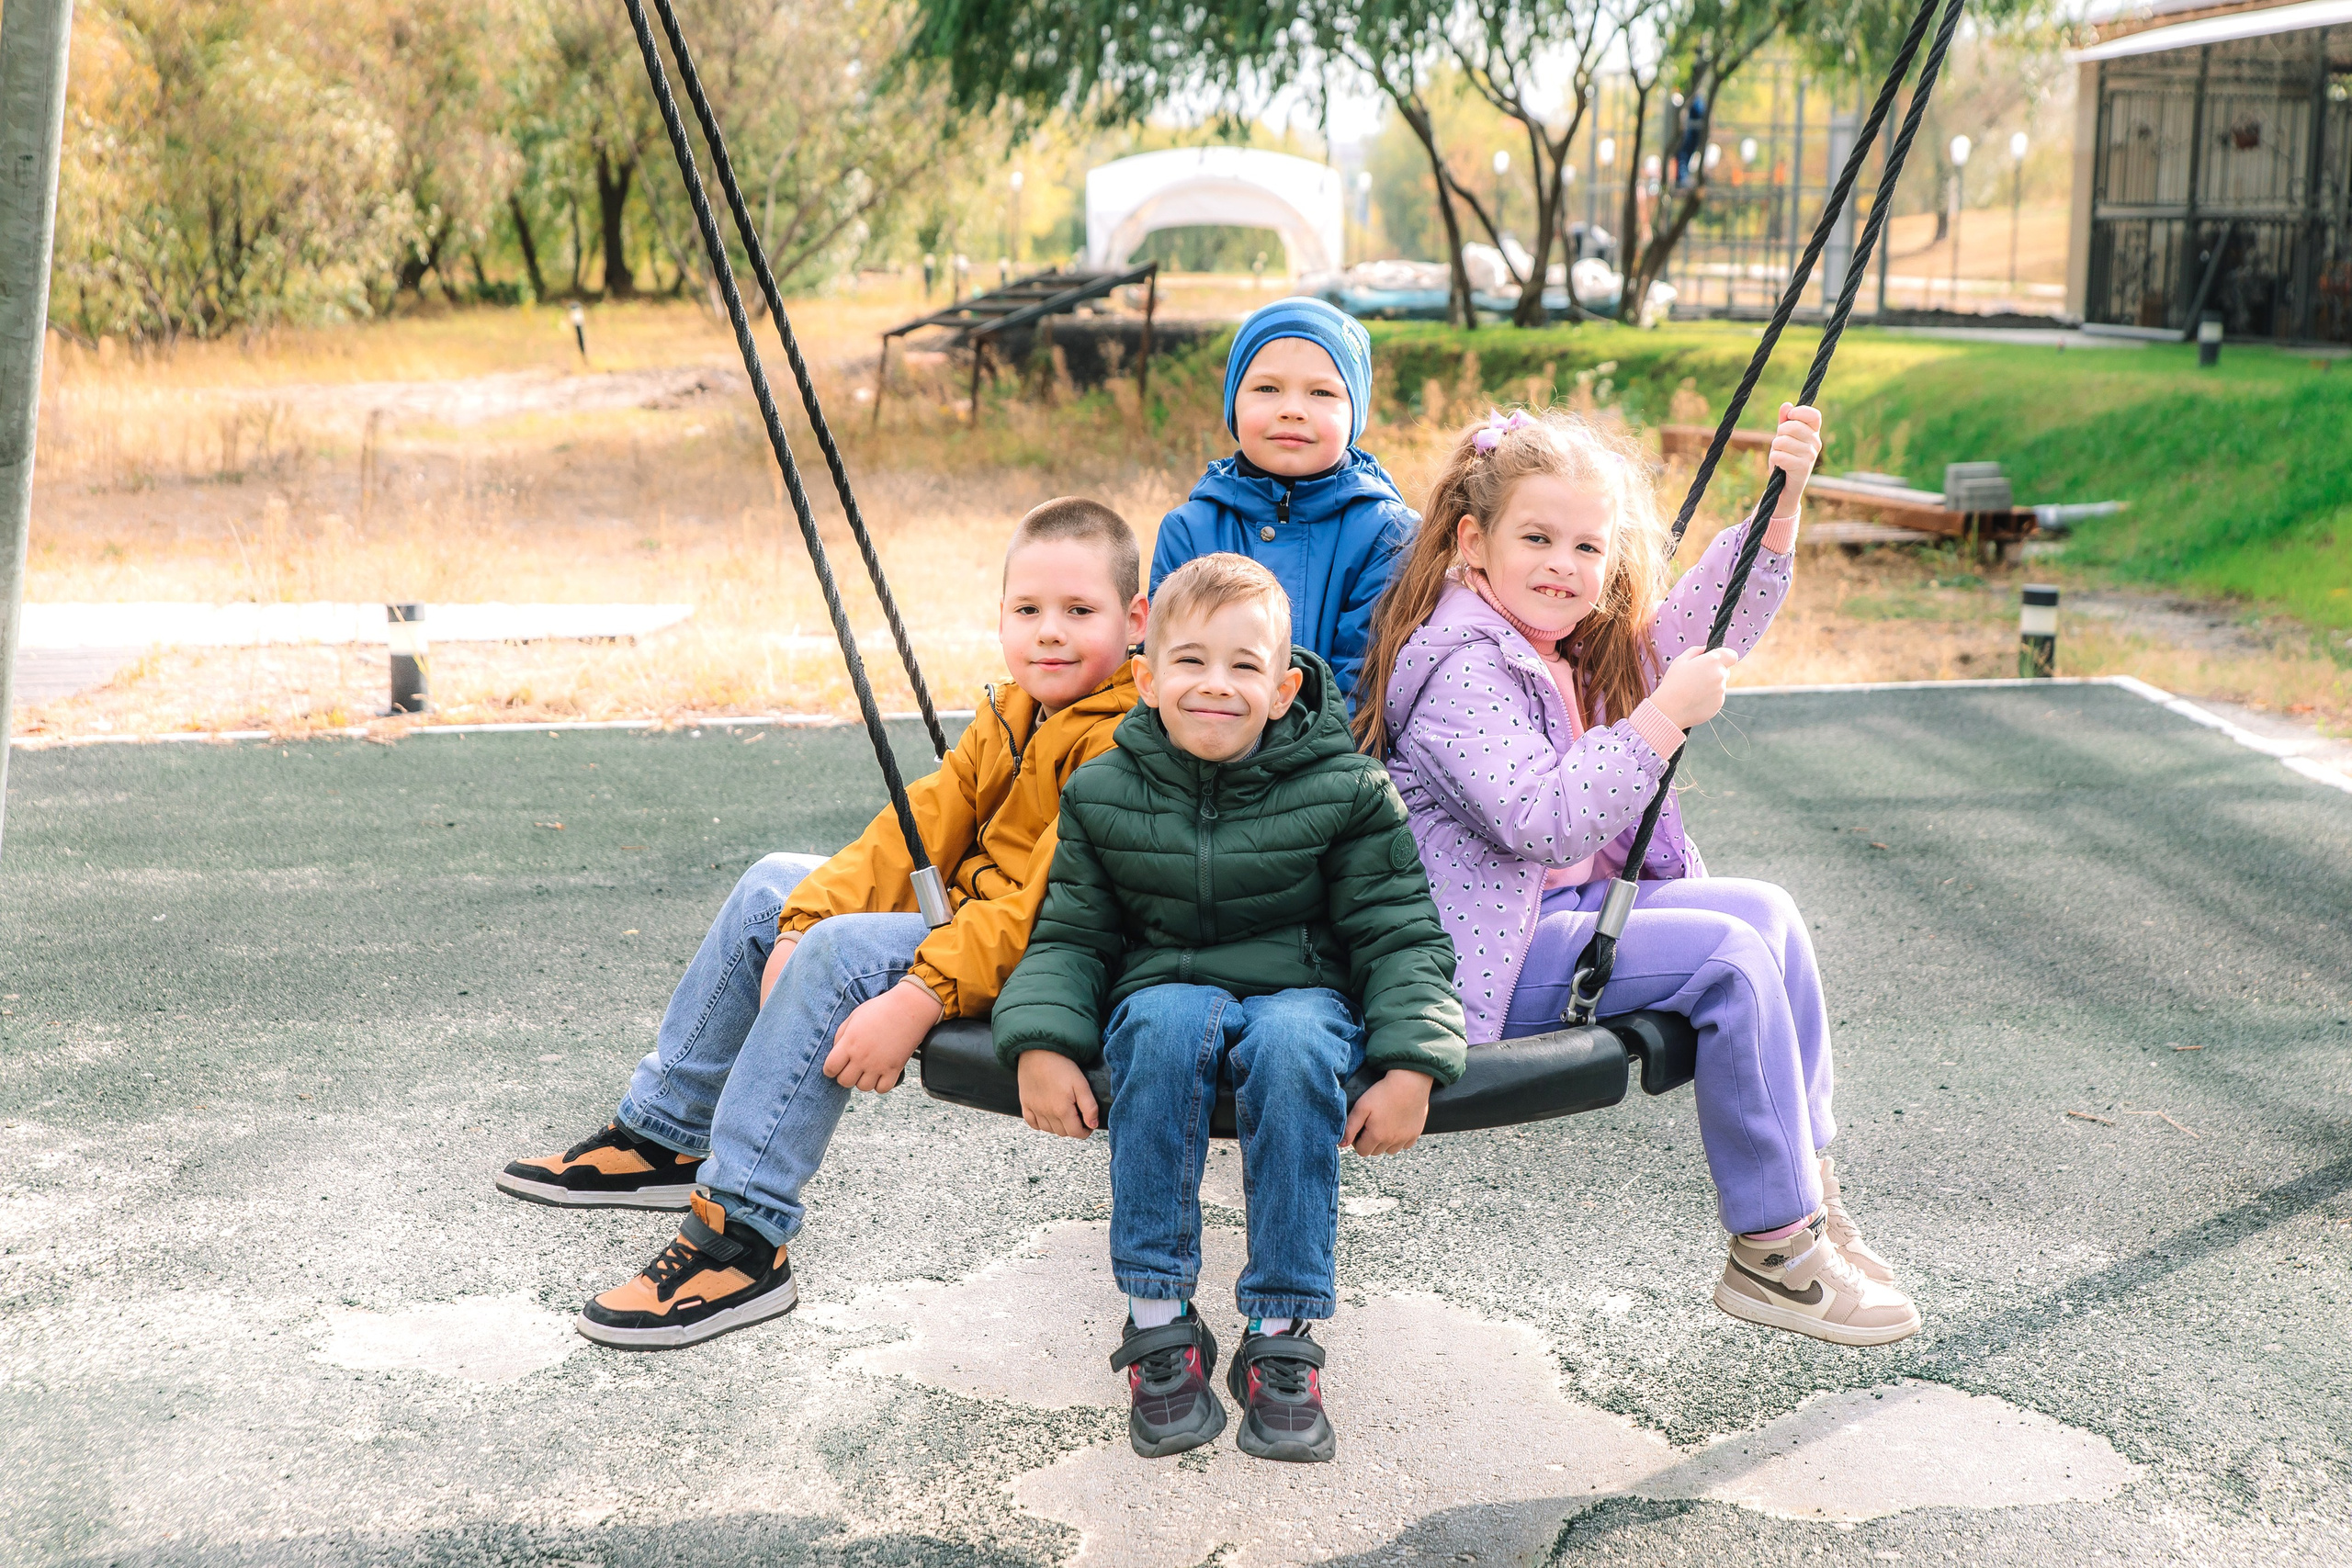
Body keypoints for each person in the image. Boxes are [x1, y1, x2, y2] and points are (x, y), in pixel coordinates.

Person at [494, 498, 1148, 1349]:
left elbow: (1046, 911)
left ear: (1135, 620)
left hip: (1049, 955)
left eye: (1079, 612)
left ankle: (743, 1237)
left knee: (841, 954)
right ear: (1000, 616)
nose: (1049, 634)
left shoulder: (1122, 741)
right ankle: (666, 1133)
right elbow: (912, 828)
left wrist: (917, 995)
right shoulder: (1015, 714)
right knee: (777, 884)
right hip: (979, 924)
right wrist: (804, 919)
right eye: (1027, 611)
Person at [1360, 405, 1921, 1348]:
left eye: (1587, 546)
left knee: (1770, 914)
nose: (1561, 565)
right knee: (1730, 959)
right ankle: (1772, 1254)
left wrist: (1776, 514)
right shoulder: (1460, 665)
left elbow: (1696, 634)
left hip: (1556, 918)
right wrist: (1660, 719)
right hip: (1475, 960)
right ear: (1472, 542)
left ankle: (1809, 1199)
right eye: (1535, 538)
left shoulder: (1565, 644)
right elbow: (1543, 820)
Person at [997, 553, 1465, 1463]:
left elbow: (1399, 935)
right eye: (1190, 663)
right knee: (1163, 1025)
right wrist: (1041, 1042)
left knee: (1295, 1045)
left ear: (1285, 687)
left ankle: (1280, 1336)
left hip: (1302, 991)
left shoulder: (1348, 793)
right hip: (1165, 988)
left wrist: (1412, 1064)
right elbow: (1071, 938)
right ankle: (1158, 1323)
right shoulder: (1101, 793)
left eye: (1245, 667)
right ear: (1145, 677)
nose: (1217, 686)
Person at [1151, 298, 1413, 712]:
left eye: (1322, 392)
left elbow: (1365, 680)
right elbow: (1168, 668)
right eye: (1267, 388)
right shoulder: (1188, 530)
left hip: (1334, 766)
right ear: (1233, 403)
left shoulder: (1389, 535)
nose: (1292, 410)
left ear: (1355, 413)